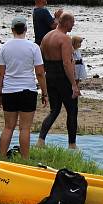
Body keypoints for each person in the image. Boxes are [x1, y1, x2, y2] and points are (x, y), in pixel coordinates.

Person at [0, 15, 47, 159]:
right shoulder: (33, 47)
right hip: (28, 90)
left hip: (9, 90)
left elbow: (0, 73)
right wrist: (44, 93)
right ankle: (25, 159)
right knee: (25, 128)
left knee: (8, 127)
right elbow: (40, 73)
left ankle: (1, 157)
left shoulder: (5, 47)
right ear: (25, 29)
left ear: (12, 30)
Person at [37, 12, 80, 149]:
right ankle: (72, 144)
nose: (73, 25)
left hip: (50, 75)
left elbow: (42, 60)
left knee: (54, 110)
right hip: (62, 77)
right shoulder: (65, 39)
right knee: (72, 110)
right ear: (66, 22)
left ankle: (41, 140)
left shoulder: (46, 37)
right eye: (72, 23)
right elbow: (66, 63)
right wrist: (74, 84)